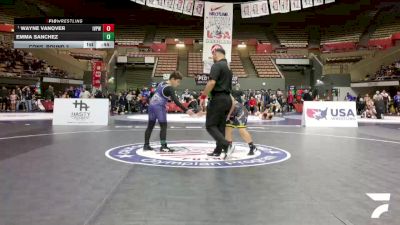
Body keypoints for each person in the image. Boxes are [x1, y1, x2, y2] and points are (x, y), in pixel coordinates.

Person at [144, 71, 194, 152]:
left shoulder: (161, 83)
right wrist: (186, 110)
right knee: (163, 126)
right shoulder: (170, 88)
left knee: (150, 126)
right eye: (178, 81)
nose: (178, 84)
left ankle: (146, 145)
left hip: (151, 106)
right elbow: (176, 101)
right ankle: (163, 146)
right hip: (159, 108)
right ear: (173, 79)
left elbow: (153, 93)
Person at [202, 48, 233, 159]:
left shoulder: (217, 65)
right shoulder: (228, 68)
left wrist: (203, 96)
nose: (212, 57)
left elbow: (212, 82)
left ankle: (226, 145)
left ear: (216, 53)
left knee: (210, 125)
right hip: (227, 99)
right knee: (220, 126)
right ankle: (218, 150)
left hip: (218, 99)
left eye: (213, 55)